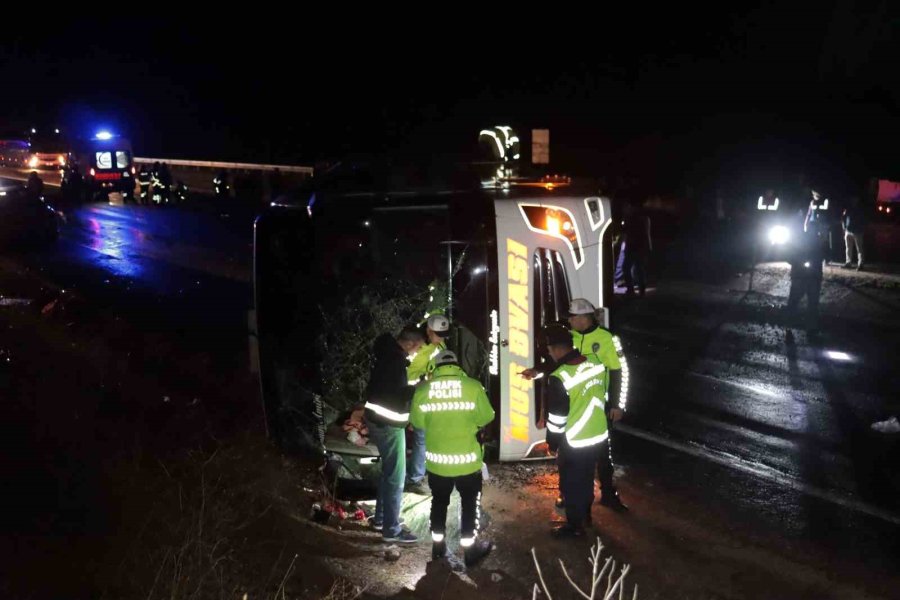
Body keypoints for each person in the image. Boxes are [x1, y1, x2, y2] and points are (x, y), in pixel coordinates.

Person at [520, 298, 628, 511]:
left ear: (583, 317)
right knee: (571, 456)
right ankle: (568, 496)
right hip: (575, 406)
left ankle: (607, 493)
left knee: (602, 454)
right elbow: (557, 362)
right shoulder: (571, 337)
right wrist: (537, 371)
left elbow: (618, 371)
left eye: (572, 317)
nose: (569, 320)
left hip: (599, 405)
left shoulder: (607, 338)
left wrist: (617, 404)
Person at [410, 350, 495, 566]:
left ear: (435, 368)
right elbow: (487, 416)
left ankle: (438, 547)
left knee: (438, 502)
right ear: (457, 366)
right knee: (469, 504)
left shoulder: (423, 390)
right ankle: (470, 551)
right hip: (468, 462)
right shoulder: (473, 387)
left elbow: (417, 423)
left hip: (438, 463)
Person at [543, 325, 613, 538]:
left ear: (555, 349)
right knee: (586, 477)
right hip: (598, 434)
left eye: (549, 350)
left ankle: (574, 527)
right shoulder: (596, 363)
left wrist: (552, 444)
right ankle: (586, 515)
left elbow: (557, 420)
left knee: (571, 483)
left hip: (575, 440)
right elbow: (604, 392)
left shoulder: (559, 377)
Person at [363, 326, 425, 544]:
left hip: (377, 421)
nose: (416, 352)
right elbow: (396, 396)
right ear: (409, 343)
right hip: (387, 425)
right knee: (396, 477)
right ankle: (391, 529)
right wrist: (419, 388)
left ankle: (381, 519)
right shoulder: (395, 362)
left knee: (388, 473)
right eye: (417, 347)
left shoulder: (387, 354)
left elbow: (383, 391)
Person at [405, 314, 450, 495]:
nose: (442, 338)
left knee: (423, 437)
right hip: (406, 394)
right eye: (438, 334)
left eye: (444, 335)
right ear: (429, 330)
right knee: (417, 437)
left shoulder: (439, 345)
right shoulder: (414, 344)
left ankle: (416, 477)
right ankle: (413, 479)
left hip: (425, 394)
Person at [786, 202, 826, 341]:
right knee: (796, 302)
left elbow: (825, 254)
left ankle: (810, 329)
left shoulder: (818, 239)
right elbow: (789, 254)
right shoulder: (799, 237)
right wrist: (798, 262)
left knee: (811, 303)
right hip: (802, 275)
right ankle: (789, 328)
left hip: (811, 276)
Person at [621, 201, 652, 297]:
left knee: (628, 268)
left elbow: (626, 231)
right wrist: (649, 247)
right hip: (639, 246)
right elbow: (647, 234)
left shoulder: (630, 219)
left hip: (633, 246)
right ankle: (641, 289)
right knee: (639, 268)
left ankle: (631, 289)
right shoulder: (645, 218)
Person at [842, 196, 866, 271]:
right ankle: (848, 262)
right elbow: (843, 217)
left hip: (857, 231)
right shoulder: (849, 208)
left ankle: (860, 264)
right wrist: (844, 228)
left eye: (855, 198)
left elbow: (863, 220)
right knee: (848, 248)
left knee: (859, 249)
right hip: (849, 230)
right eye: (853, 198)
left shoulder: (860, 209)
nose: (854, 200)